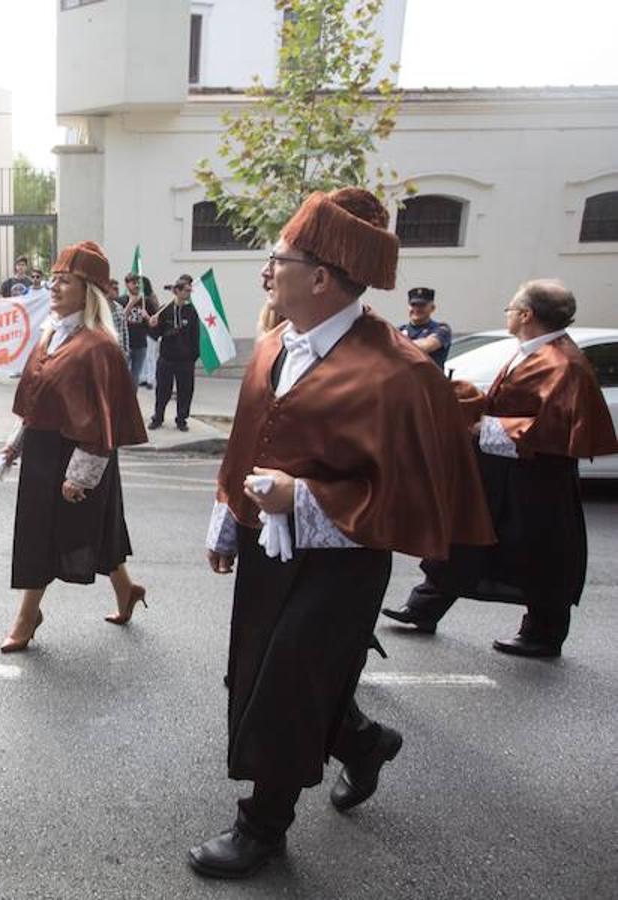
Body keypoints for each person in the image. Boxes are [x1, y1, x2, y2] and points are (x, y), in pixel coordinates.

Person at [191, 187, 495, 880]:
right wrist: (231, 521)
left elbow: (414, 493)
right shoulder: (274, 344)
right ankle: (362, 742)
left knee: (289, 683)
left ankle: (262, 828)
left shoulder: (400, 372)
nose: (267, 269)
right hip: (272, 552)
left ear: (321, 276)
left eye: (279, 257)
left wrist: (304, 497)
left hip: (343, 560)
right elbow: (248, 442)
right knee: (261, 673)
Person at [383, 279, 618, 657]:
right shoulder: (533, 351)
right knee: (465, 536)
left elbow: (554, 427)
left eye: (510, 307)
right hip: (501, 467)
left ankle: (543, 633)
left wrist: (484, 426)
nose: (506, 312)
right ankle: (423, 608)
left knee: (542, 552)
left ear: (526, 315)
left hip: (537, 478)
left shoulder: (562, 362)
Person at [0, 241, 148, 653]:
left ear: (89, 292)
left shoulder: (99, 346)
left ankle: (28, 616)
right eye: (54, 280)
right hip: (46, 451)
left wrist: (80, 473)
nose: (54, 287)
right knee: (88, 531)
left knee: (47, 533)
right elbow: (36, 398)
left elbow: (103, 416)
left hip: (78, 455)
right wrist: (16, 444)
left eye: (65, 281)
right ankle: (126, 590)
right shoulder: (51, 335)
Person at [148, 275, 200, 431]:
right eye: (186, 290)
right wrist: (152, 325)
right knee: (163, 390)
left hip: (185, 361)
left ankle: (181, 419)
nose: (189, 293)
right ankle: (158, 417)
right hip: (167, 358)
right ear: (177, 291)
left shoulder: (191, 311)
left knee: (185, 390)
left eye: (190, 290)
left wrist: (192, 356)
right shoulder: (165, 310)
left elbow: (195, 335)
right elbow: (155, 334)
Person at [119, 275, 160, 387]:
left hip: (141, 344)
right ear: (127, 284)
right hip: (125, 344)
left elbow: (154, 323)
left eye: (138, 283)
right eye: (133, 282)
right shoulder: (121, 300)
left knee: (135, 375)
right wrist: (131, 303)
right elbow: (119, 319)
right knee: (122, 374)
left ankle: (132, 399)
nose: (136, 285)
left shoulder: (146, 302)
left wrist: (147, 317)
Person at [397, 286, 452, 368]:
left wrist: (395, 345)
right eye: (413, 305)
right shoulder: (399, 330)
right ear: (408, 307)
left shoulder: (441, 329)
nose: (417, 309)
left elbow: (425, 346)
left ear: (432, 308)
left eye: (422, 305)